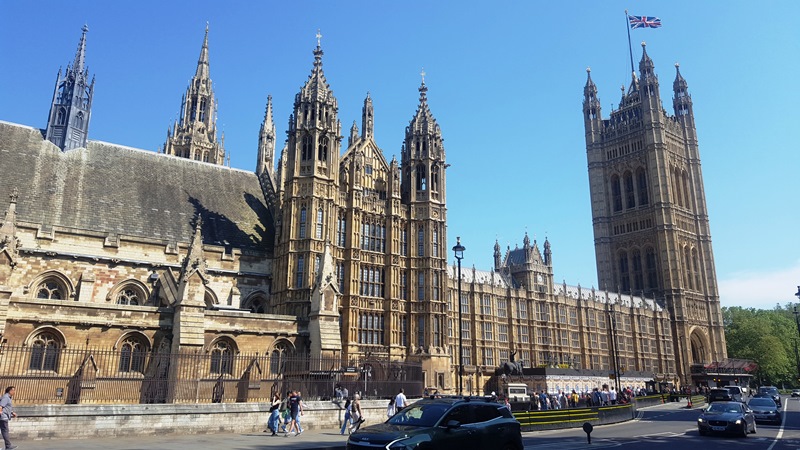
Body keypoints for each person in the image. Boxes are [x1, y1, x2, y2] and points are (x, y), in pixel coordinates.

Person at [0, 386, 17, 450]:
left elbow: (7, 407)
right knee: (5, 431)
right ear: (10, 391)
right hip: (3, 417)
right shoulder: (6, 397)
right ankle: (8, 446)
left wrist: (12, 412)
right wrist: (0, 412)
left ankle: (8, 445)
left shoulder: (8, 398)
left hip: (4, 416)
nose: (14, 392)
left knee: (4, 431)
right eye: (14, 390)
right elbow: (1, 406)